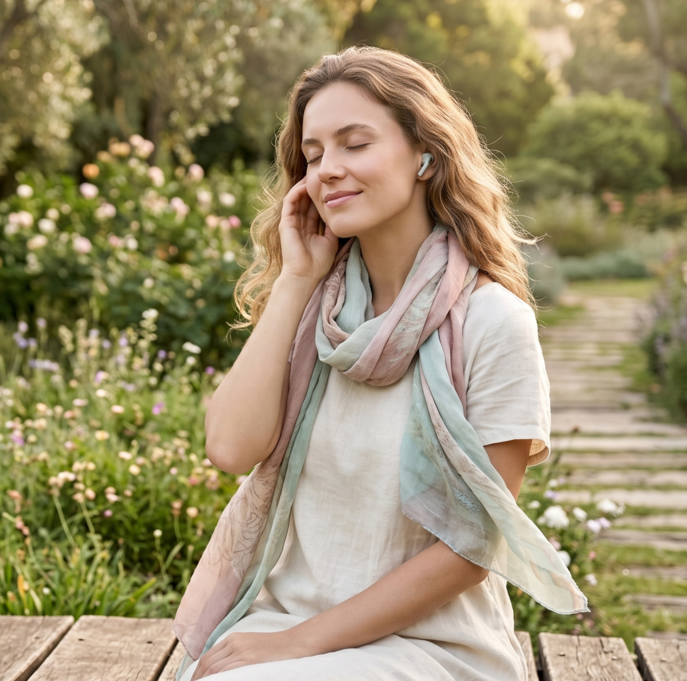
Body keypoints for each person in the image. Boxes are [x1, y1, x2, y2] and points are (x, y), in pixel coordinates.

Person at [172, 46, 586, 681]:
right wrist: (294, 282)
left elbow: (470, 549)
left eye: (354, 144)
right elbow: (230, 447)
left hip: (434, 648)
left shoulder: (493, 322)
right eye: (313, 155)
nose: (328, 171)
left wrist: (302, 645)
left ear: (424, 152)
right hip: (288, 623)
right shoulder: (316, 311)